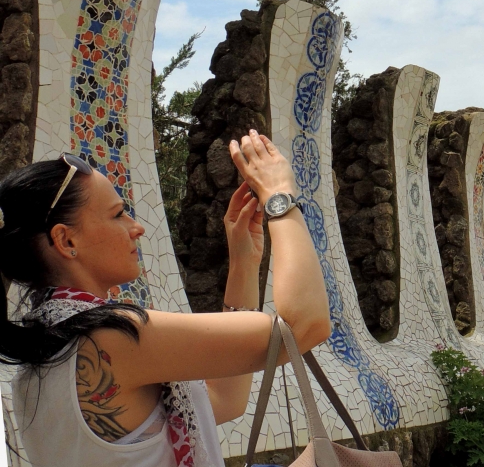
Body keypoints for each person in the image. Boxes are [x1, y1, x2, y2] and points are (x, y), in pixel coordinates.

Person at [0, 130, 330, 467]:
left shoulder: (46, 347)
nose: (136, 227)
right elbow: (303, 326)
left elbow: (223, 400)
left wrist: (243, 264)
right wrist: (280, 197)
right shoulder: (108, 337)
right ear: (66, 241)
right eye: (117, 214)